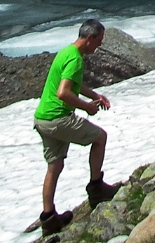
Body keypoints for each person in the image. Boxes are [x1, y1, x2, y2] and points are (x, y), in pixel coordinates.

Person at [32, 19, 120, 236]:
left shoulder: (65, 52)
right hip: (58, 118)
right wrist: (87, 107)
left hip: (42, 119)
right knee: (100, 137)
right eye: (98, 42)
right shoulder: (76, 59)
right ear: (89, 38)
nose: (98, 46)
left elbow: (74, 85)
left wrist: (95, 95)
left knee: (55, 165)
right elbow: (64, 93)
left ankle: (49, 218)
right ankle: (96, 188)